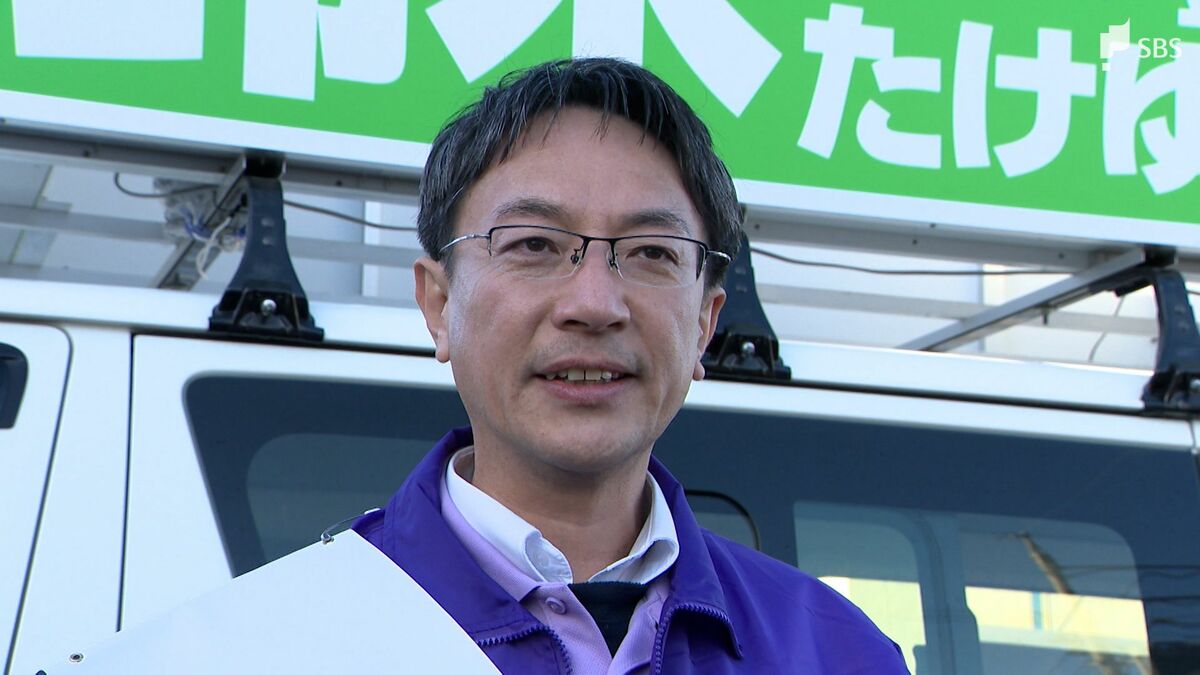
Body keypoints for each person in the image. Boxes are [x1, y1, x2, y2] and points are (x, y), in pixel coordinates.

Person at [354, 57, 909, 674]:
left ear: (705, 323)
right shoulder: (298, 628)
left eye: (651, 252)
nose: (594, 304)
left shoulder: (838, 653)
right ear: (438, 303)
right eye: (534, 244)